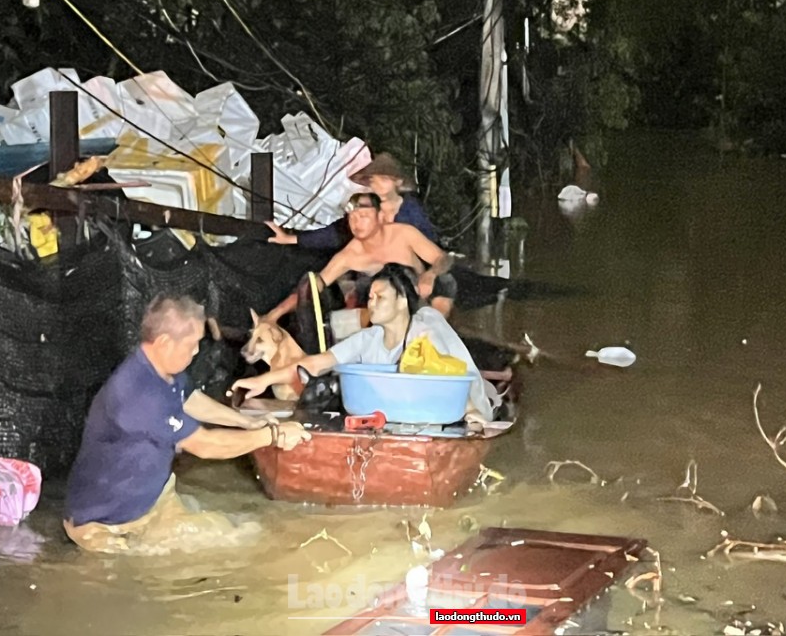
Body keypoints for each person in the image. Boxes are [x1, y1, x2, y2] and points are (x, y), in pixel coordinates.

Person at [64, 294, 311, 555]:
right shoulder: (139, 393)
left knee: (235, 534)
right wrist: (271, 435)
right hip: (101, 522)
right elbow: (205, 445)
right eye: (193, 344)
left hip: (153, 502)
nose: (196, 352)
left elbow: (190, 399)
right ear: (165, 343)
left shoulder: (160, 370)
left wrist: (248, 422)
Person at [235, 264, 497, 425]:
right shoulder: (367, 338)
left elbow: (449, 379)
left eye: (380, 297)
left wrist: (472, 417)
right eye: (370, 297)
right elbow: (315, 363)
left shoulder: (424, 331)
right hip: (388, 418)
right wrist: (264, 380)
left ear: (402, 301)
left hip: (433, 415)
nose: (371, 303)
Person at [264, 192, 458, 325]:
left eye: (363, 215)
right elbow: (312, 288)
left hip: (420, 303)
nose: (357, 223)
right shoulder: (349, 255)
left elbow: (443, 259)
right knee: (339, 319)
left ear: (380, 216)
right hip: (384, 316)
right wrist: (274, 315)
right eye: (352, 217)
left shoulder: (404, 234)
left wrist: (431, 274)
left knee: (445, 281)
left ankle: (436, 336)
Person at [266, 152, 439, 250]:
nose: (376, 184)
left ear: (398, 182)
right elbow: (337, 234)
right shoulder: (366, 205)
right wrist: (292, 239)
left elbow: (429, 245)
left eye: (384, 178)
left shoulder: (411, 210)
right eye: (373, 179)